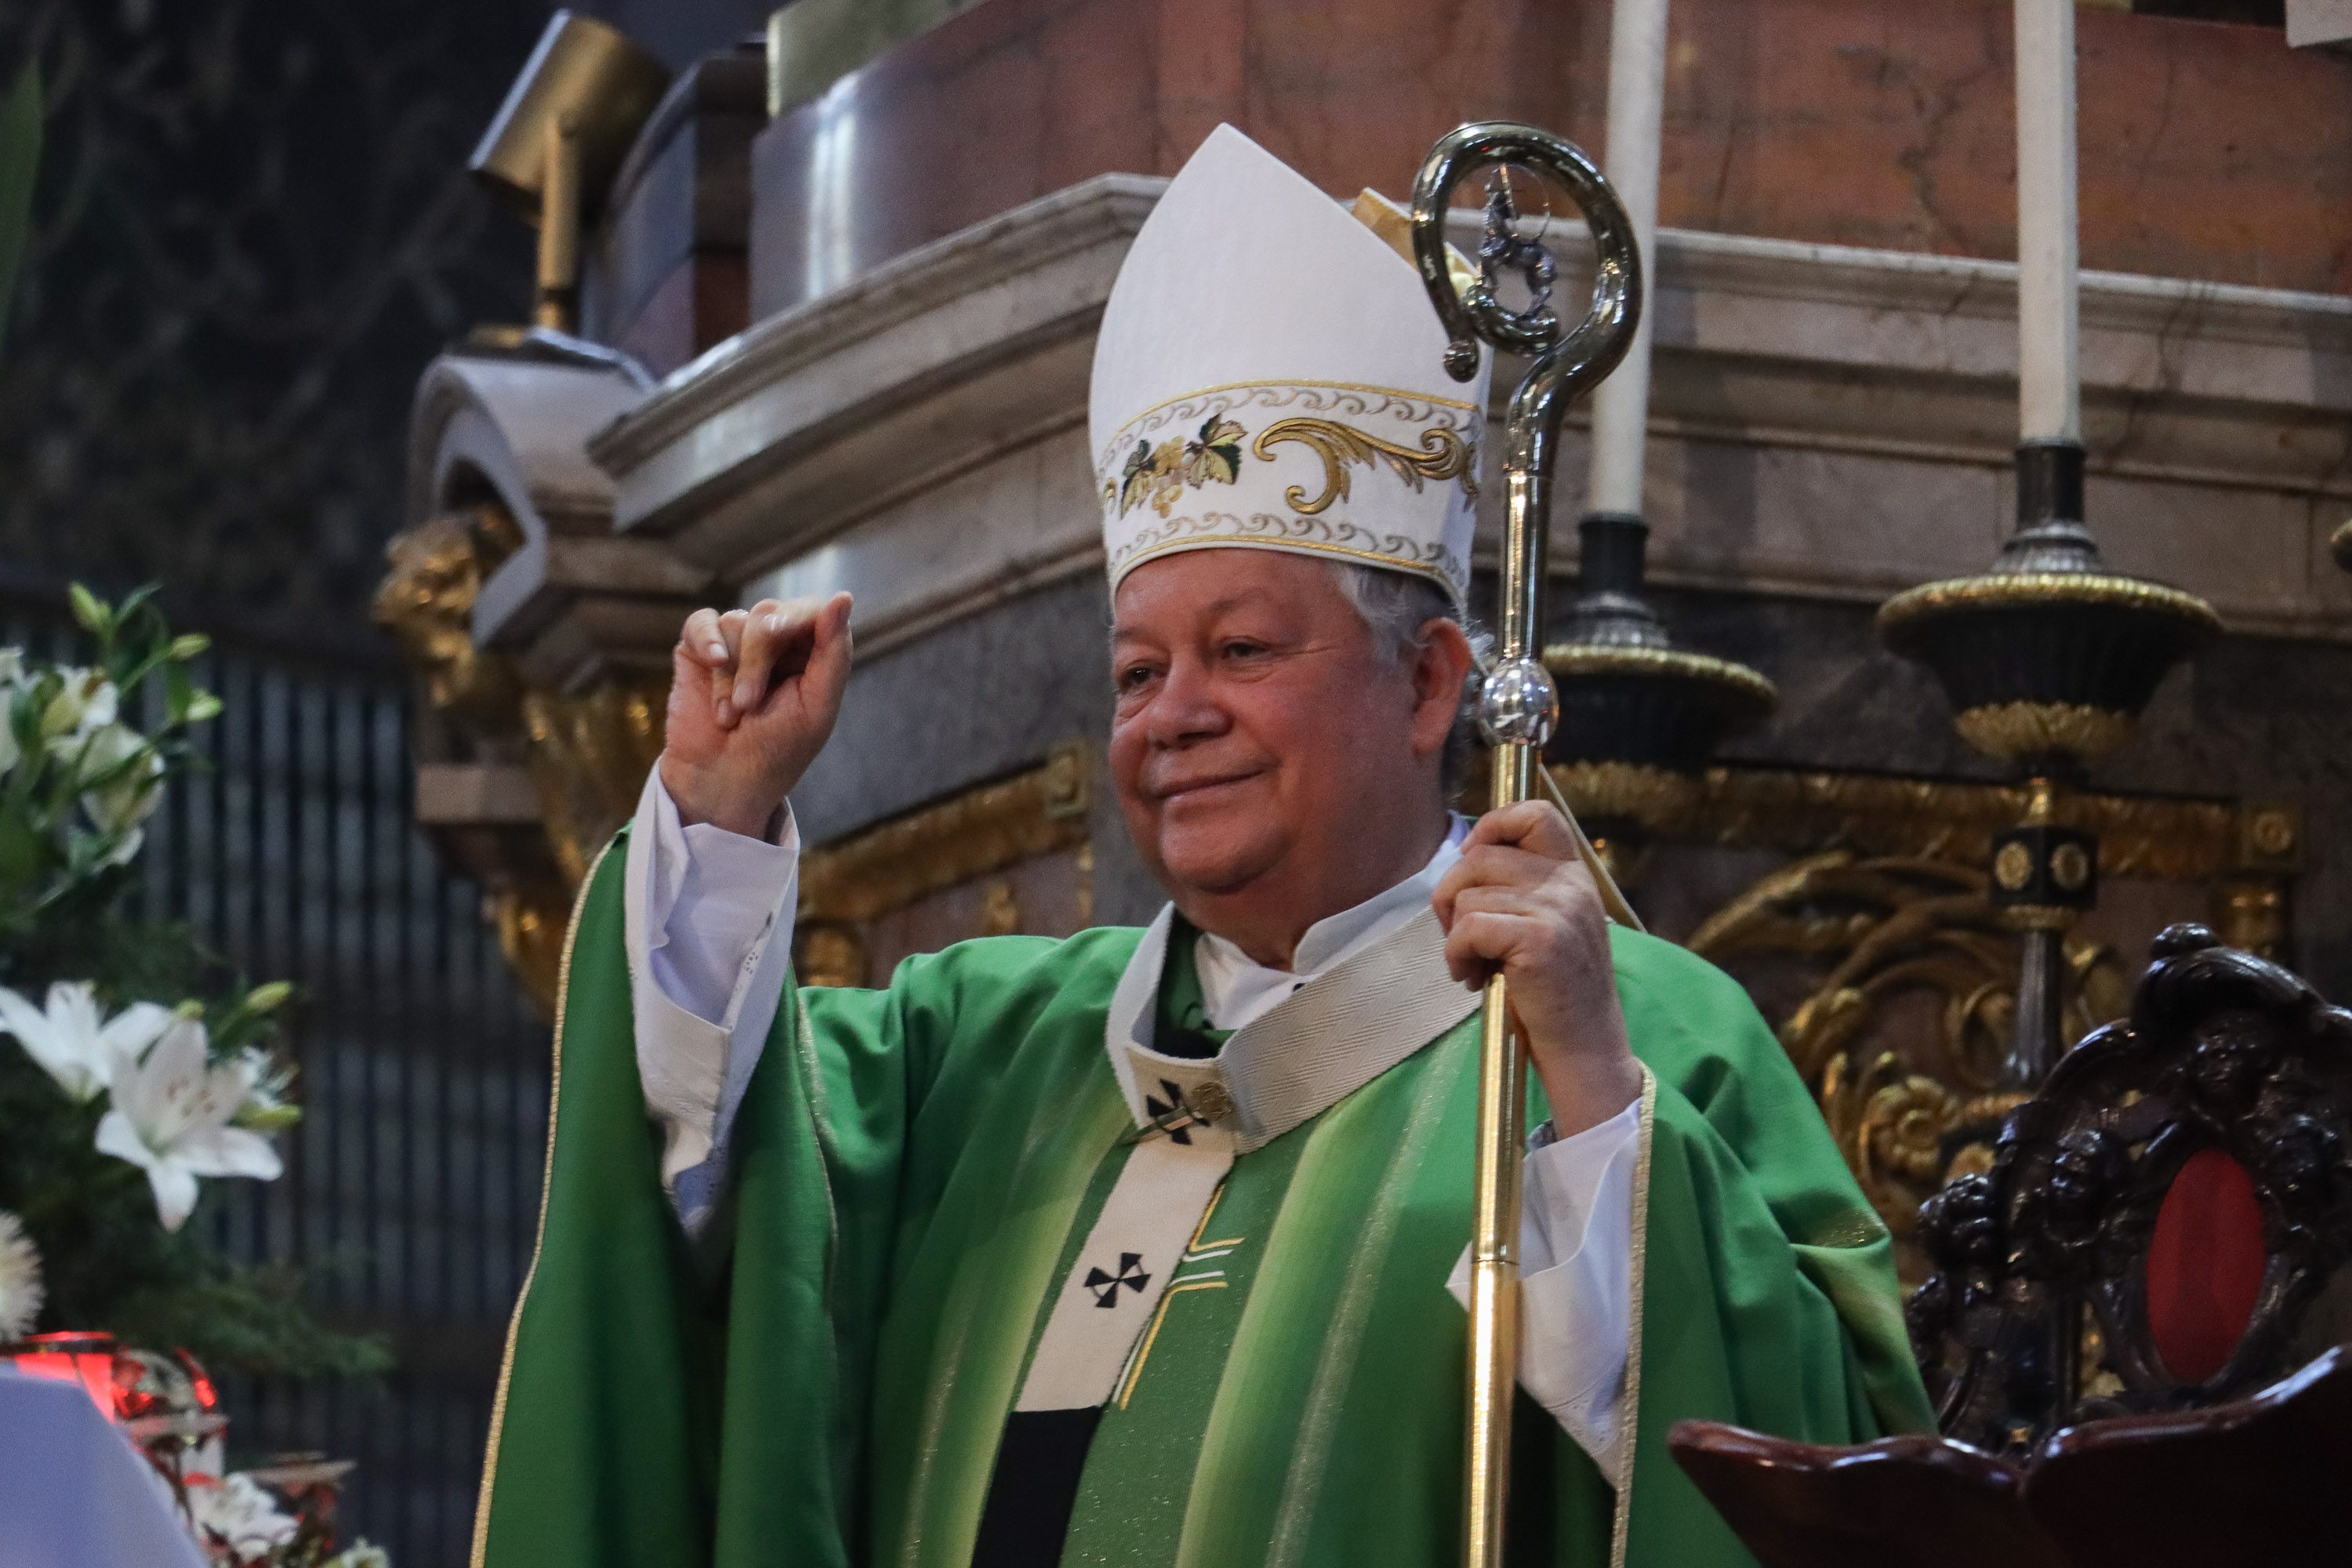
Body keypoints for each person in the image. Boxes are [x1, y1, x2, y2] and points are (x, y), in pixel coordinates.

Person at [472, 125, 1931, 1568]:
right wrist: (716, 813)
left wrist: (1602, 1113)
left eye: (1239, 649)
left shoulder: (1637, 1034)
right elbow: (695, 1197)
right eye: (1134, 671)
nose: (1174, 717)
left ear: (1427, 684)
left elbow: (1801, 1479)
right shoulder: (979, 1052)